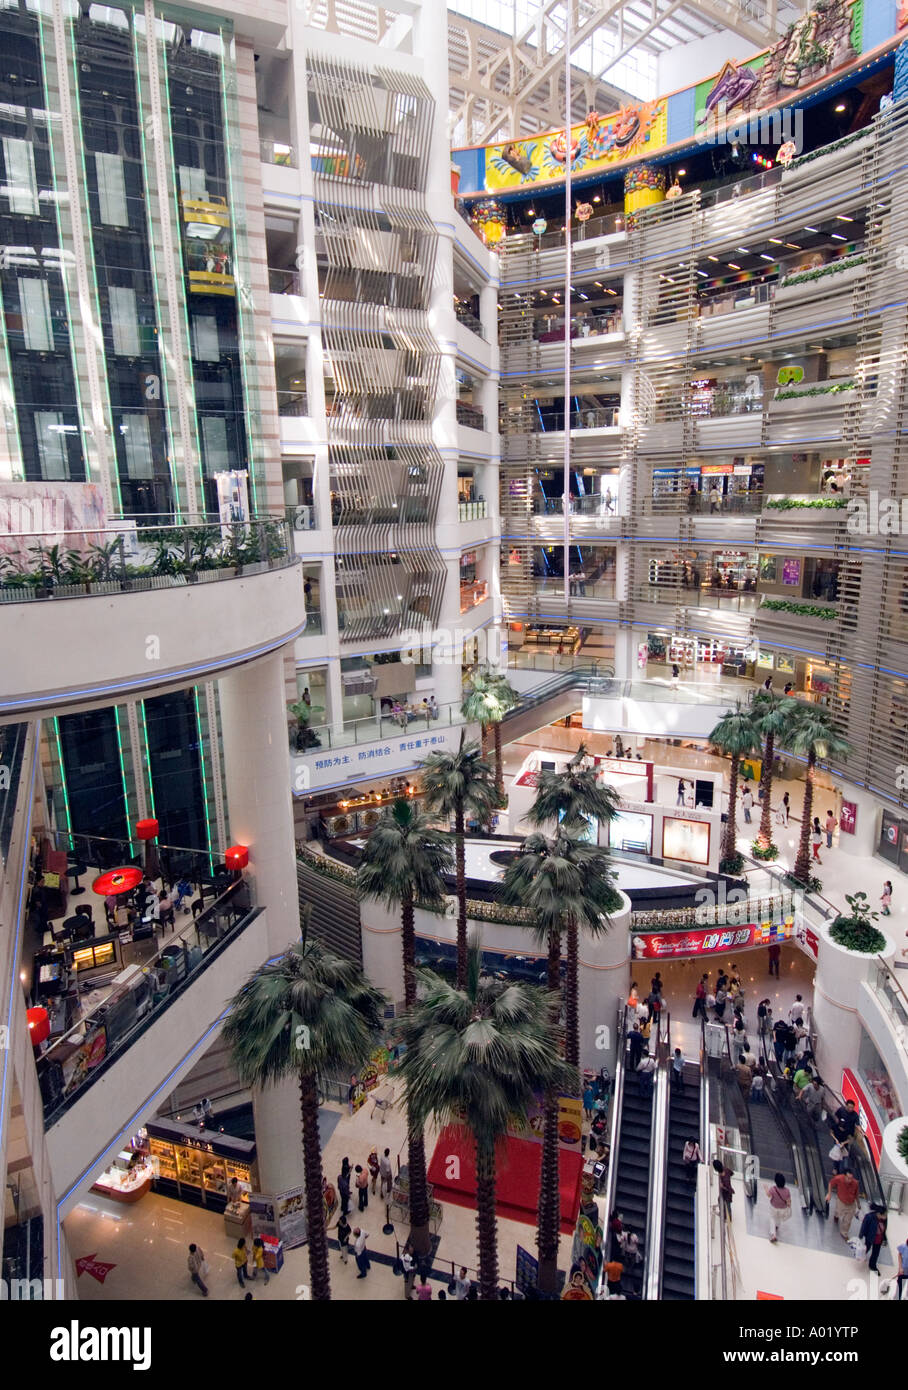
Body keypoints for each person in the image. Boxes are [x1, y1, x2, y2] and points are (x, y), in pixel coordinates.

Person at [826, 1169, 860, 1240]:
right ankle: (836, 1215)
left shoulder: (855, 1183)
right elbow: (830, 1184)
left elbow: (856, 1194)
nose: (850, 1180)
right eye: (848, 1178)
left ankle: (844, 1233)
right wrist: (829, 1194)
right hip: (841, 1201)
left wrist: (858, 1204)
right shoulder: (838, 1178)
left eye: (851, 1178)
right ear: (844, 1176)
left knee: (848, 1220)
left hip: (851, 1204)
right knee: (838, 1212)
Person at [860, 1205, 888, 1273]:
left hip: (879, 1238)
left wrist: (884, 1238)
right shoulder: (869, 1217)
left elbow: (884, 1229)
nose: (885, 1217)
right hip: (870, 1237)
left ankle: (872, 1265)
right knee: (867, 1247)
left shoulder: (884, 1219)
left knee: (876, 1253)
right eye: (884, 1215)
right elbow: (864, 1226)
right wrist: (861, 1235)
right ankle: (861, 1256)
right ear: (879, 1214)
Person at [765, 1173, 792, 1242]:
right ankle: (776, 1226)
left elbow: (768, 1195)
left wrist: (766, 1188)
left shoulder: (773, 1189)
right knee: (779, 1217)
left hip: (774, 1207)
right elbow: (788, 1201)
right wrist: (789, 1206)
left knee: (772, 1218)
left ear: (776, 1181)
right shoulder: (787, 1191)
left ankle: (773, 1235)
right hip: (783, 1208)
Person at [897, 1235, 908, 1302]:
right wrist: (900, 1267)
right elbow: (899, 1254)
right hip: (903, 1270)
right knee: (900, 1285)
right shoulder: (904, 1247)